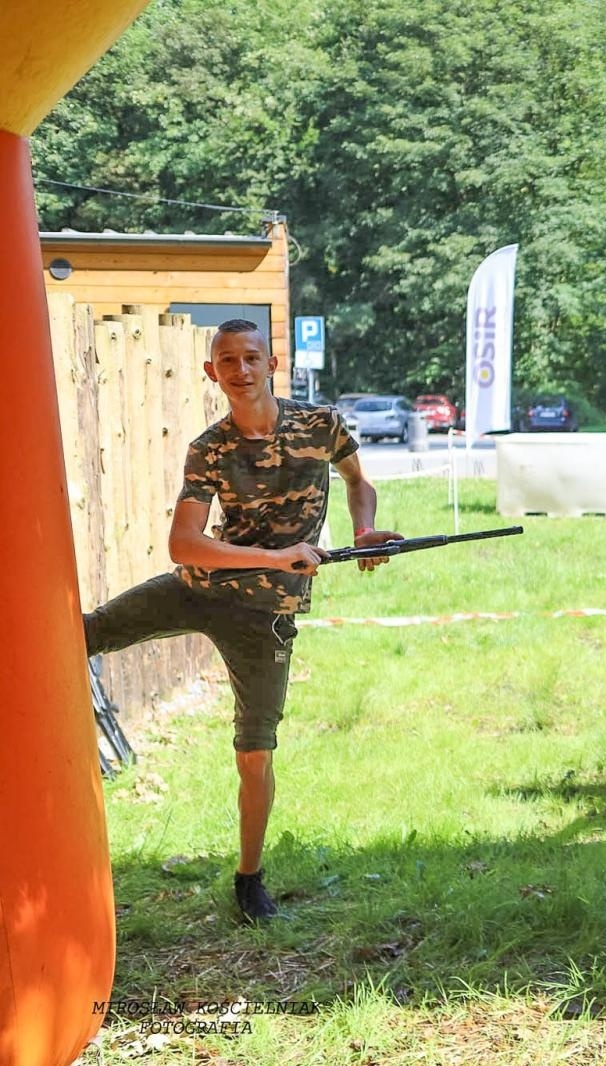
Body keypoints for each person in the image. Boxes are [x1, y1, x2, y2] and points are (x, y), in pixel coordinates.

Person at [82, 320, 401, 923]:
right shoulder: (210, 448)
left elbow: (359, 482)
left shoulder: (321, 424)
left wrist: (363, 534)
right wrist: (276, 557)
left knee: (254, 753)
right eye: (227, 360)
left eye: (251, 357)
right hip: (199, 590)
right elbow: (183, 544)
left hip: (266, 616)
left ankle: (248, 880)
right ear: (212, 372)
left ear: (271, 363)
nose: (241, 369)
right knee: (83, 633)